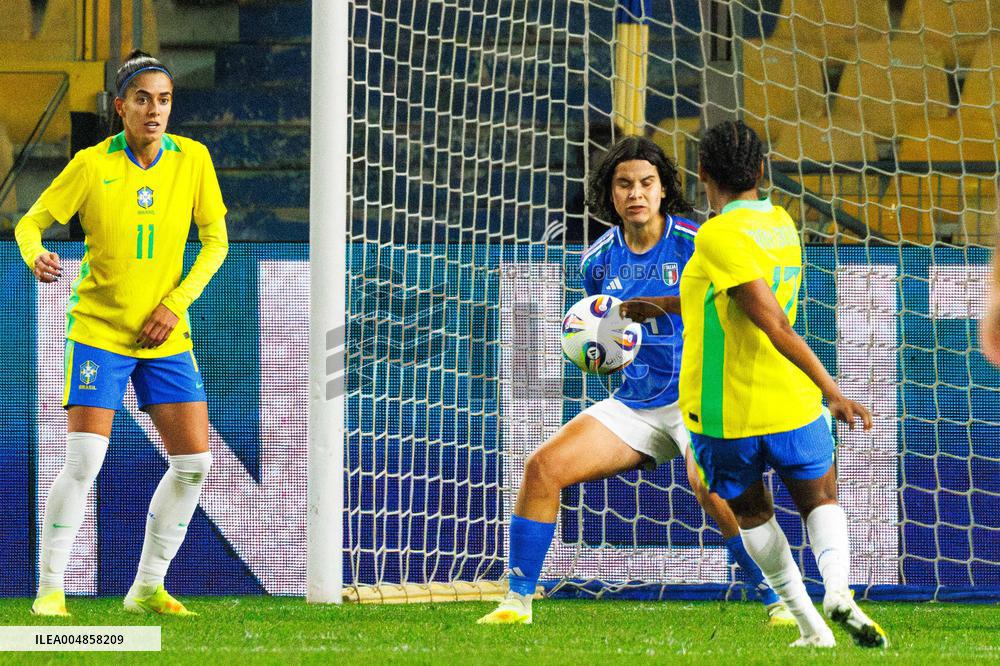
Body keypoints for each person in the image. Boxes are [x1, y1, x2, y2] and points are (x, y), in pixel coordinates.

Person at [478, 136, 793, 626]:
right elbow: (605, 332)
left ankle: (777, 600)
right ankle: (516, 602)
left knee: (710, 483)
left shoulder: (699, 240)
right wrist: (599, 353)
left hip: (701, 397)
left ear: (664, 189)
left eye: (647, 183)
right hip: (637, 405)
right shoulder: (597, 262)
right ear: (612, 193)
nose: (635, 193)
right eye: (624, 184)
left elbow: (744, 305)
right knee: (543, 466)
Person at [14, 50, 228, 617]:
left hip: (165, 335)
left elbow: (216, 242)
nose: (155, 110)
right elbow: (29, 221)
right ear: (120, 106)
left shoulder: (194, 160)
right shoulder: (91, 164)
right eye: (143, 99)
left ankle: (147, 588)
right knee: (84, 459)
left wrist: (175, 304)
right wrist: (35, 253)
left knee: (195, 464)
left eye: (164, 99)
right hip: (99, 334)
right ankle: (50, 592)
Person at [679, 120, 888, 648]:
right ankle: (838, 590)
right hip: (792, 402)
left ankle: (811, 626)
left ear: (701, 172)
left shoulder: (718, 233)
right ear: (762, 171)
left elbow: (771, 323)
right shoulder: (781, 223)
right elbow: (723, 299)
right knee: (820, 500)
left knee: (752, 514)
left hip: (725, 411)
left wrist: (834, 389)